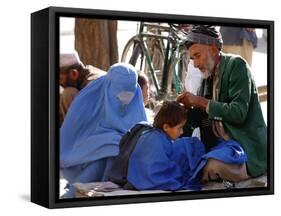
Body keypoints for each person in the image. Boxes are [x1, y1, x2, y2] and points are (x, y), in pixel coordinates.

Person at [177, 25, 267, 182]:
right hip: (219, 144)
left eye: (197, 56)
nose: (195, 64)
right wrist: (184, 110)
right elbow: (204, 115)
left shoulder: (237, 66)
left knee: (212, 166)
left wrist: (200, 101)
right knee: (181, 153)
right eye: (192, 59)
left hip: (242, 145)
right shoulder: (207, 75)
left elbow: (238, 113)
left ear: (212, 49)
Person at [60, 63, 148, 198]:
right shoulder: (91, 97)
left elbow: (139, 130)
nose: (125, 97)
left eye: (129, 92)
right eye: (120, 92)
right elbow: (75, 132)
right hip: (90, 151)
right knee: (112, 147)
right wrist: (109, 140)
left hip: (123, 155)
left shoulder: (136, 97)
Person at [127, 101, 206, 191]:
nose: (182, 132)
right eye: (179, 128)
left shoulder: (149, 134)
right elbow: (159, 169)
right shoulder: (160, 141)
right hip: (151, 180)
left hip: (134, 180)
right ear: (166, 127)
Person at [59, 51, 106, 125]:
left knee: (68, 94)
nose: (60, 84)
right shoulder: (88, 72)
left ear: (73, 73)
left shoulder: (92, 85)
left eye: (60, 79)